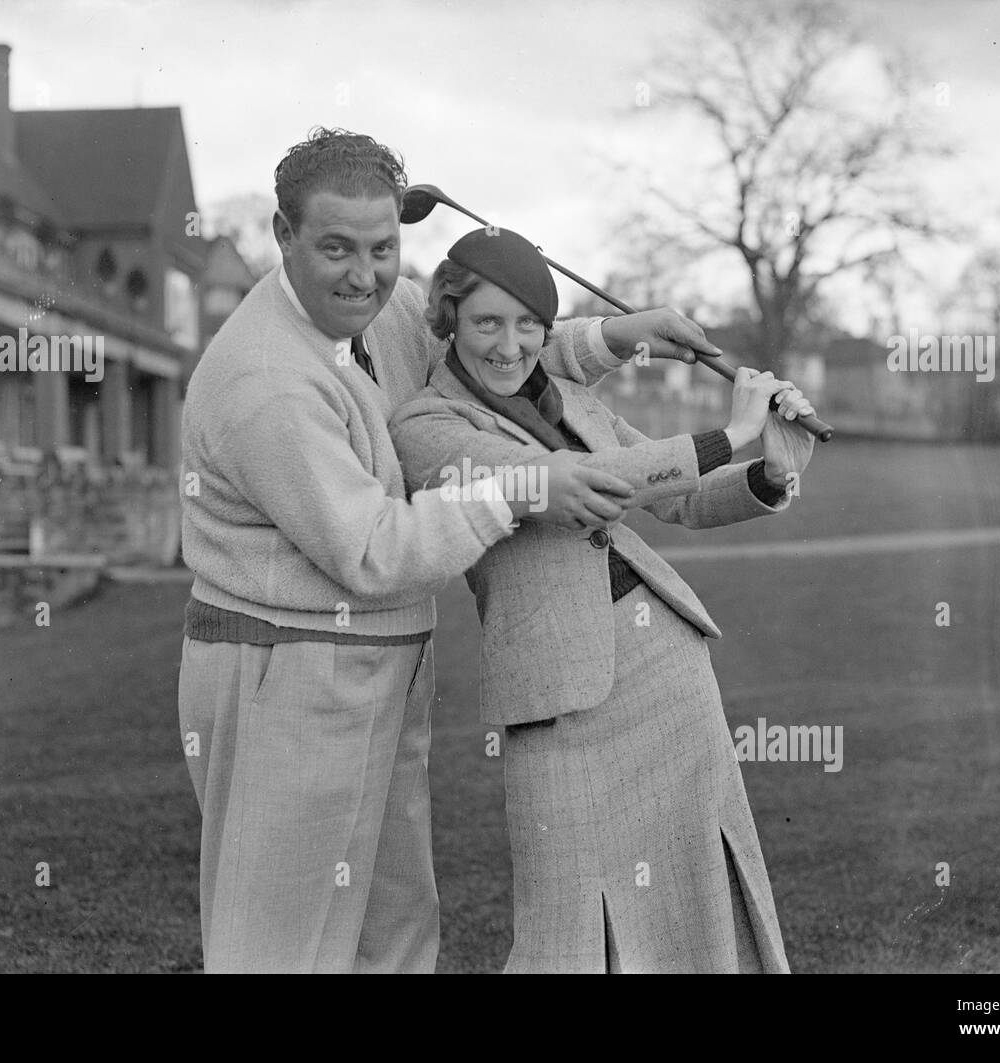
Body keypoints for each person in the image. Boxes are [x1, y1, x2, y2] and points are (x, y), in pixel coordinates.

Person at [176, 127, 722, 973]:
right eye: (334, 248)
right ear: (283, 238)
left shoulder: (381, 312)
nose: (364, 273)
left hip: (383, 661)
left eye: (383, 247)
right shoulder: (265, 382)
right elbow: (374, 549)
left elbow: (481, 353)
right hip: (281, 673)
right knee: (280, 945)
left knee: (395, 931)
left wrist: (621, 335)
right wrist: (521, 487)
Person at [388, 226, 817, 973]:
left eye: (529, 326)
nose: (508, 345)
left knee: (697, 889)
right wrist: (733, 429)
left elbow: (676, 500)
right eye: (487, 322)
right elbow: (581, 489)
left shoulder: (570, 396)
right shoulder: (426, 427)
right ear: (448, 316)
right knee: (563, 925)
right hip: (556, 693)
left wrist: (767, 473)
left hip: (666, 665)